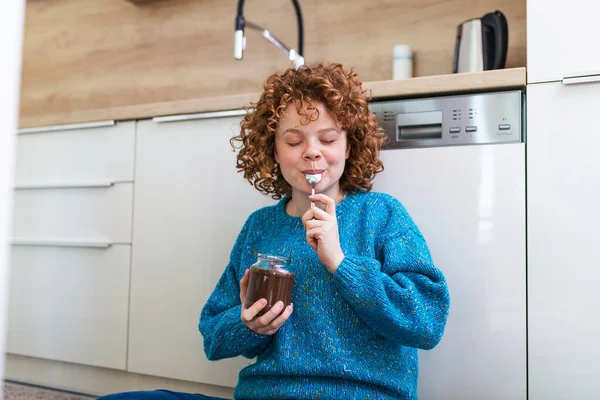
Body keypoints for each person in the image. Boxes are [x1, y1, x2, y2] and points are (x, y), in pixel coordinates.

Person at [98, 62, 450, 400]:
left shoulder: (382, 214)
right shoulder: (260, 226)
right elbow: (213, 337)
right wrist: (247, 325)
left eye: (327, 139)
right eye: (294, 141)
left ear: (349, 145)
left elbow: (426, 322)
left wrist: (341, 263)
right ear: (273, 152)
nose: (312, 152)